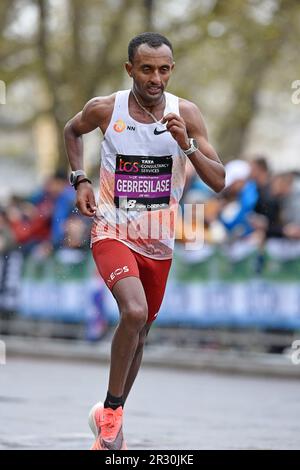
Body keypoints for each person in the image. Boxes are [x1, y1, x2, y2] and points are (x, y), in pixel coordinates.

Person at [64, 32, 225, 451]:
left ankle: (109, 413)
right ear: (130, 68)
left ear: (172, 70)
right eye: (147, 69)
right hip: (112, 229)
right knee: (133, 312)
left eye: (164, 69)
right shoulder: (106, 108)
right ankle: (113, 419)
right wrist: (79, 178)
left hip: (158, 240)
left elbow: (219, 181)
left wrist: (186, 146)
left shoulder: (185, 113)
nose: (156, 78)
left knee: (141, 331)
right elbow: (71, 130)